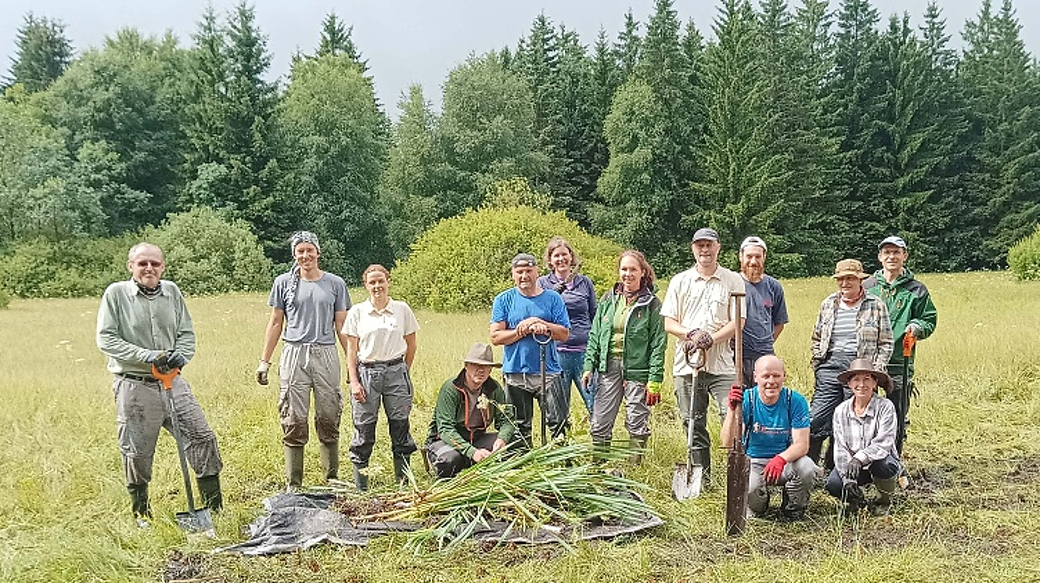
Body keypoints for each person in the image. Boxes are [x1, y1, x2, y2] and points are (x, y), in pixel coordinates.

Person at [96, 243, 223, 526]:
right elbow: (107, 339)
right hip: (135, 384)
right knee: (137, 449)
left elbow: (186, 333)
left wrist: (181, 356)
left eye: (155, 263)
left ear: (163, 266)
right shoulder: (116, 294)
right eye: (142, 264)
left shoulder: (172, 292)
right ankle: (141, 513)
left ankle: (214, 509)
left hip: (173, 381)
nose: (149, 269)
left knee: (201, 437)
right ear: (131, 266)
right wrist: (148, 355)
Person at [257, 231, 350, 490]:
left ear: (318, 252)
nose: (305, 255)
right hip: (294, 353)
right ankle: (293, 482)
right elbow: (276, 322)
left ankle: (331, 477)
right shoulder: (283, 283)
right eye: (300, 251)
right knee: (294, 415)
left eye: (310, 250)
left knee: (329, 413)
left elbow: (341, 325)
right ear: (294, 255)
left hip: (326, 352)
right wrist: (265, 361)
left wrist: (354, 364)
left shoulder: (335, 284)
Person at [660, 227, 745, 487]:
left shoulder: (732, 280)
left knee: (731, 417)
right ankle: (701, 480)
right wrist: (692, 334)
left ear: (718, 247)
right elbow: (669, 323)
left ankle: (736, 477)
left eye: (709, 245)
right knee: (692, 423)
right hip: (687, 365)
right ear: (693, 249)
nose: (704, 250)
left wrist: (711, 338)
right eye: (700, 245)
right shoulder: (680, 281)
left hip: (722, 365)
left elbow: (738, 320)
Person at [582, 250, 666, 464]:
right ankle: (599, 467)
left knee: (637, 420)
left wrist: (654, 379)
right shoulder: (608, 299)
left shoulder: (652, 304)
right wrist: (588, 365)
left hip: (638, 370)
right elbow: (595, 333)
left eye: (632, 269)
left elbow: (658, 343)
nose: (628, 274)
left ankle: (634, 468)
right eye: (624, 269)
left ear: (642, 272)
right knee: (600, 420)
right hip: (608, 367)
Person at [809, 258, 893, 470]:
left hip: (859, 367)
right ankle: (808, 467)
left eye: (850, 279)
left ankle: (840, 468)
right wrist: (818, 363)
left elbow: (886, 342)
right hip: (829, 365)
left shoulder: (875, 305)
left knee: (851, 417)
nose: (845, 283)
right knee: (817, 418)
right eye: (841, 279)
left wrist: (876, 370)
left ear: (860, 280)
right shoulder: (828, 303)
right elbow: (817, 337)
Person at [343, 264, 420, 490]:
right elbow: (351, 350)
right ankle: (361, 487)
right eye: (372, 282)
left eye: (381, 281)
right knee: (364, 429)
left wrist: (403, 371)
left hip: (396, 371)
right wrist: (354, 381)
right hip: (366, 373)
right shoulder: (357, 312)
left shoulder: (402, 309)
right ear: (365, 285)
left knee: (400, 426)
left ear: (388, 281)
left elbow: (411, 344)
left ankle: (403, 483)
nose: (377, 286)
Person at [864, 236, 938, 454]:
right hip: (868, 361)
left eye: (896, 252)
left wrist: (917, 326)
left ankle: (893, 459)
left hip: (899, 360)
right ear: (879, 257)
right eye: (887, 252)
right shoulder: (867, 286)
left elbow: (929, 319)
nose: (891, 257)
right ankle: (866, 457)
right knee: (865, 410)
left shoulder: (917, 289)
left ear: (905, 256)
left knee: (896, 412)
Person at [490, 253, 570, 450]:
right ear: (513, 274)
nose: (524, 276)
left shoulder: (553, 298)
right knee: (519, 427)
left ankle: (563, 465)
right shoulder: (503, 300)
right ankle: (523, 467)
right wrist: (522, 329)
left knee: (558, 424)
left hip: (548, 372)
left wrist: (542, 324)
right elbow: (496, 337)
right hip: (515, 372)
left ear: (537, 272)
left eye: (528, 271)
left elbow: (564, 333)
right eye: (519, 272)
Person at [722, 355, 815, 520]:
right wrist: (731, 410)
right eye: (765, 376)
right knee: (751, 490)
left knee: (807, 467)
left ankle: (793, 509)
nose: (771, 381)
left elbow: (802, 444)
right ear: (755, 377)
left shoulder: (795, 401)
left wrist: (781, 459)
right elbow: (728, 444)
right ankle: (759, 507)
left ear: (784, 377)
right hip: (754, 462)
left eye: (776, 375)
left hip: (785, 461)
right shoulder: (747, 400)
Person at [425, 343, 516, 478]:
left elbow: (507, 421)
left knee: (514, 444)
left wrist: (502, 439)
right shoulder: (451, 389)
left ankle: (475, 463)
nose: (480, 370)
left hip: (476, 439)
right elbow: (445, 429)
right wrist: (472, 452)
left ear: (490, 370)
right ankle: (449, 461)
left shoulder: (494, 389)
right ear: (466, 366)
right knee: (450, 460)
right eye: (475, 365)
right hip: (446, 441)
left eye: (485, 366)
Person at [826, 358, 903, 515]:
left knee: (884, 465)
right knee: (834, 484)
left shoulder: (885, 407)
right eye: (856, 379)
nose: (862, 384)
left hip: (878, 462)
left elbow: (883, 443)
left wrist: (859, 458)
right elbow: (840, 449)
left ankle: (883, 501)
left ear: (875, 384)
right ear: (849, 384)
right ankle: (855, 500)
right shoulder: (840, 411)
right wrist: (848, 479)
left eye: (867, 379)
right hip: (853, 466)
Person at [538, 237, 597, 418]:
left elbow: (594, 315)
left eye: (565, 254)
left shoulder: (585, 283)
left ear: (571, 257)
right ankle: (563, 443)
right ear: (550, 260)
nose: (561, 259)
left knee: (595, 404)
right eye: (556, 255)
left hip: (584, 353)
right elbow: (539, 315)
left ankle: (600, 443)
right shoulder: (542, 284)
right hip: (556, 353)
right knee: (558, 409)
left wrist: (597, 349)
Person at [738, 236, 789, 389]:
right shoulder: (732, 283)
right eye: (749, 256)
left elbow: (779, 323)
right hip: (736, 357)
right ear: (740, 257)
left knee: (765, 399)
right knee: (739, 404)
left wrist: (764, 342)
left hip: (765, 356)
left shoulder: (774, 286)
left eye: (758, 257)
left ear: (764, 257)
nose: (753, 261)